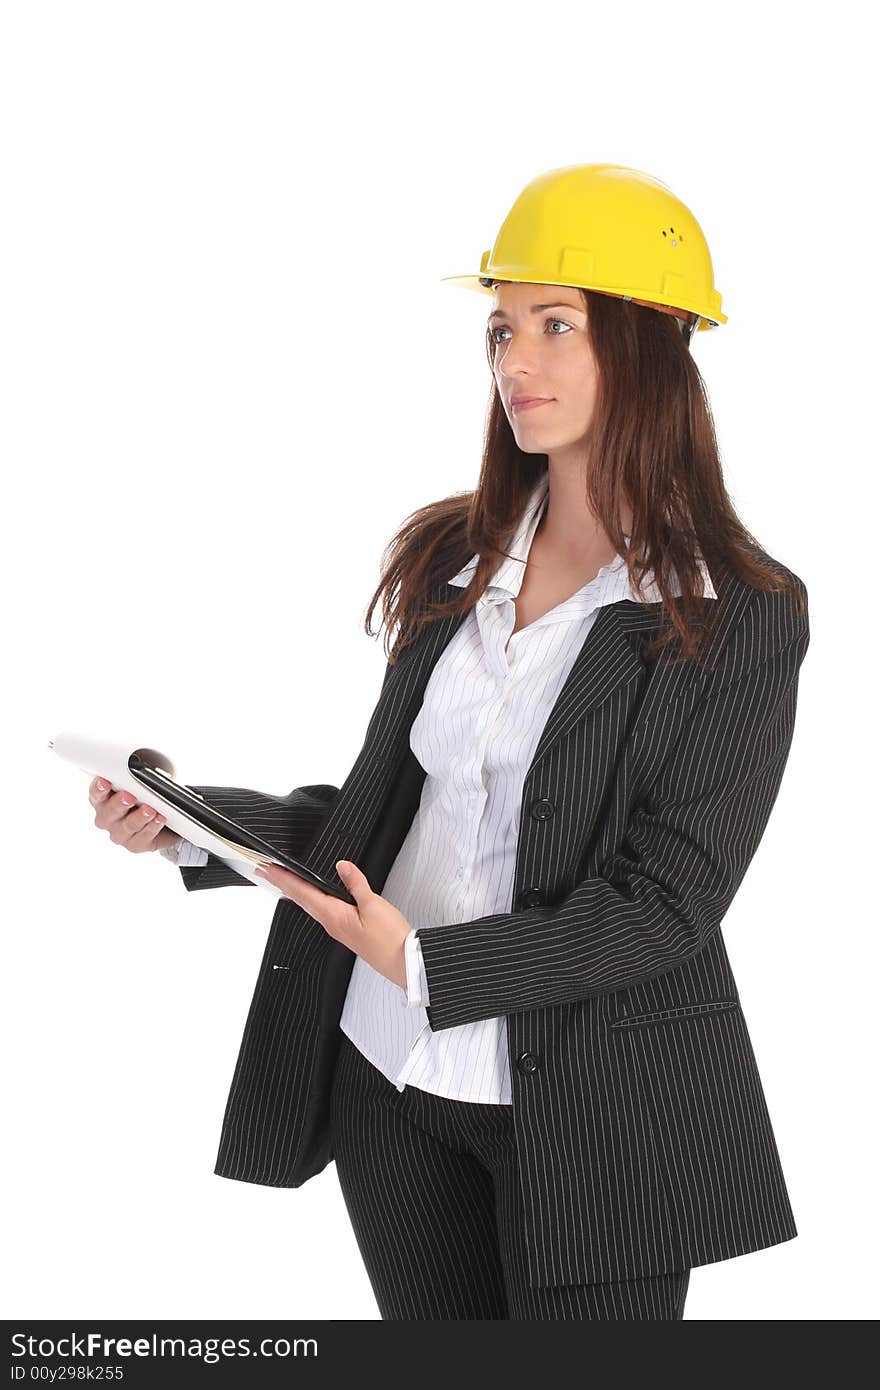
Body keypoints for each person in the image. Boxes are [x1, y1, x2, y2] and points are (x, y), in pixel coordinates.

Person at [87, 165, 809, 1320]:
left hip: (593, 1113)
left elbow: (669, 901)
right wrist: (193, 825)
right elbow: (396, 812)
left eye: (557, 326)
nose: (516, 363)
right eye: (502, 328)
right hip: (392, 1076)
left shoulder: (734, 609)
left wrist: (428, 963)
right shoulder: (453, 557)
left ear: (658, 341)